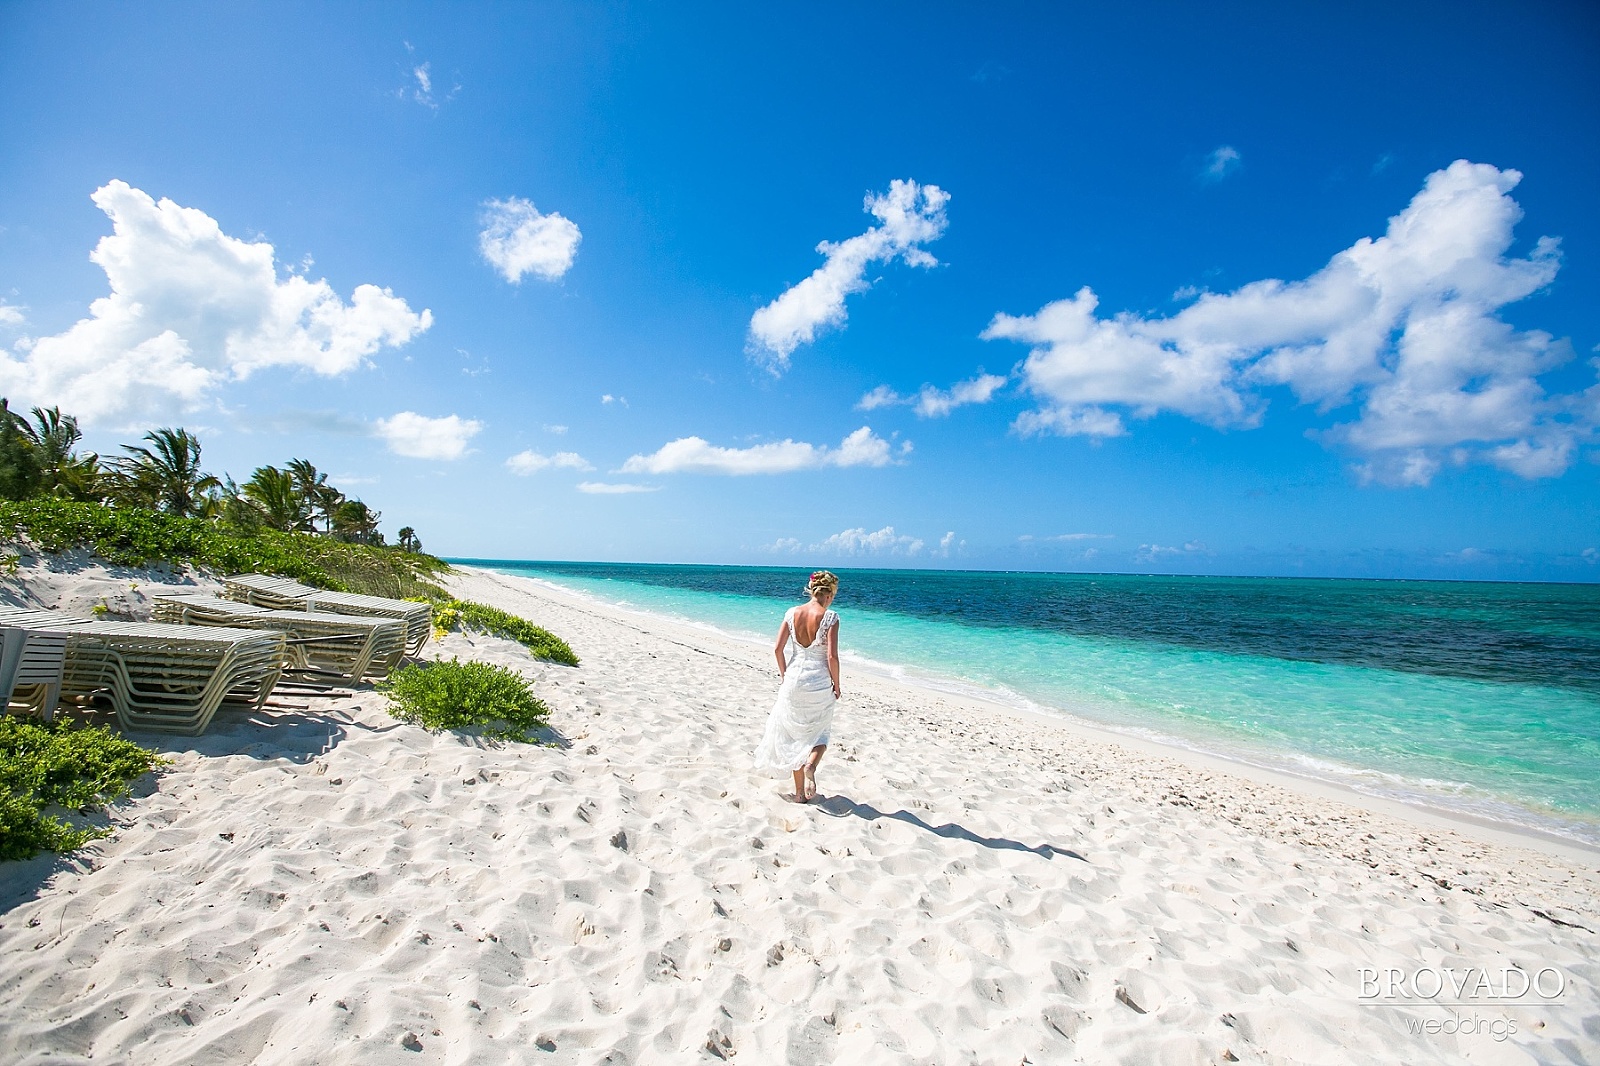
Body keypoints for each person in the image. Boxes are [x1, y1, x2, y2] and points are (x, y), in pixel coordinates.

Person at [753, 570, 841, 802]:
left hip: (793, 679)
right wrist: (837, 685)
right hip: (818, 682)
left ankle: (800, 794)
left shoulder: (792, 613)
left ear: (812, 590)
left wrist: (784, 676)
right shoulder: (830, 617)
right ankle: (811, 765)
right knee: (819, 733)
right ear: (829, 593)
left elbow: (777, 649)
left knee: (794, 735)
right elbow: (832, 657)